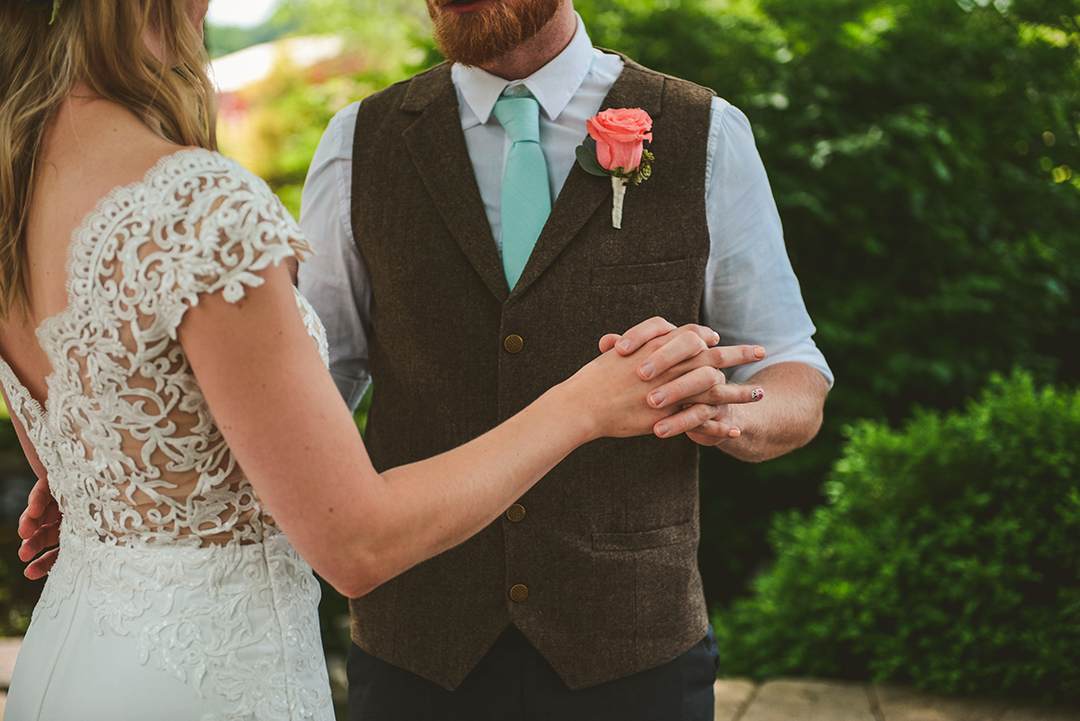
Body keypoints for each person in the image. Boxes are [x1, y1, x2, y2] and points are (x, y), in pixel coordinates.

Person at [0, 0, 759, 718]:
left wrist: (105, 489)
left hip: (78, 654)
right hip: (216, 679)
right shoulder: (200, 202)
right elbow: (355, 541)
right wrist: (586, 402)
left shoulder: (15, 185)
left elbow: (101, 437)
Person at [296, 0, 834, 718]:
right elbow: (316, 387)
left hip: (634, 651)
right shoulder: (357, 143)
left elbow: (793, 366)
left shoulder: (706, 131)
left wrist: (730, 413)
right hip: (416, 654)